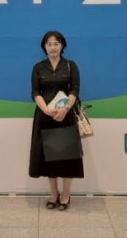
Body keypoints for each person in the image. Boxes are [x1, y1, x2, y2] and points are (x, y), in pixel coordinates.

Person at [28, 30, 83, 211]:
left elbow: (74, 90)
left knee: (67, 157)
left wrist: (65, 109)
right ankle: (53, 194)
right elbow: (35, 92)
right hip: (45, 117)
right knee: (49, 158)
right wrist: (46, 110)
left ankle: (66, 195)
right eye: (49, 44)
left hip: (65, 117)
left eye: (56, 43)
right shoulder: (38, 67)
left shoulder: (70, 66)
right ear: (44, 47)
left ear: (62, 45)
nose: (53, 47)